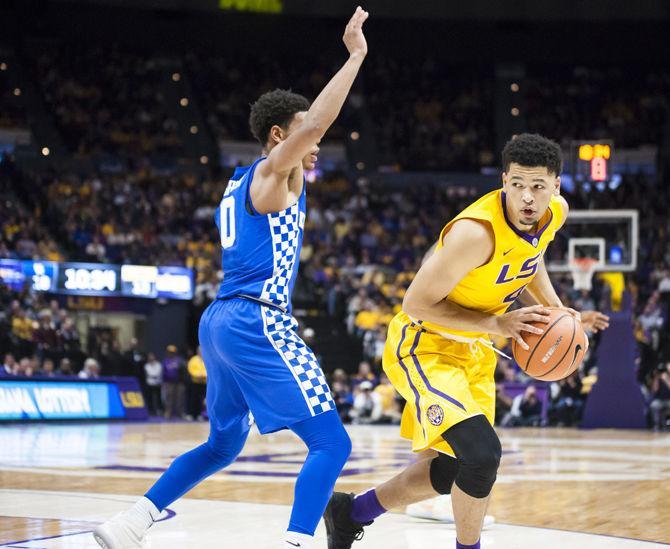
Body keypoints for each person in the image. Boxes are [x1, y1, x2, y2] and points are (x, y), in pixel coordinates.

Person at [94, 8, 369, 549]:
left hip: (219, 322)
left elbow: (309, 129)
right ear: (276, 136)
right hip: (255, 319)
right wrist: (356, 55)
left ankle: (132, 522)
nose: (315, 146)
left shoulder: (240, 181)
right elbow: (315, 124)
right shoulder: (271, 173)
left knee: (222, 446)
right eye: (301, 135)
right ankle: (296, 542)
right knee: (330, 443)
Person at [325, 134, 610, 549]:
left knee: (454, 469)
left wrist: (558, 311)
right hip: (425, 344)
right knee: (482, 456)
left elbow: (529, 259)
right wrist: (497, 323)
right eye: (517, 185)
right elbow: (416, 304)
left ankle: (350, 512)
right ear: (503, 181)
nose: (527, 197)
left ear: (557, 187)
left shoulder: (554, 215)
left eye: (538, 187)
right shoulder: (475, 234)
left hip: (475, 350)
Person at [186, 347, 207, 420]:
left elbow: (209, 369)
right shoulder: (193, 360)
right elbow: (191, 369)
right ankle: (191, 414)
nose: (201, 352)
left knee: (203, 400)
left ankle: (200, 415)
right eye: (200, 350)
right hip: (195, 383)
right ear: (197, 351)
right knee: (193, 399)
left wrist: (204, 375)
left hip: (204, 383)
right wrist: (199, 375)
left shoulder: (207, 358)